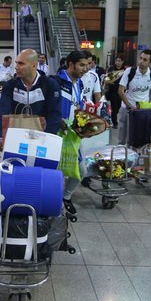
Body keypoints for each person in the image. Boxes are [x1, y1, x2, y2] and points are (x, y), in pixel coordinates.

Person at [0, 48, 62, 150]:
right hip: (16, 137)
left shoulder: (49, 84)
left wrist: (48, 139)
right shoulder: (10, 85)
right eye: (16, 63)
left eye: (21, 64)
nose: (16, 67)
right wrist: (0, 136)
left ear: (34, 66)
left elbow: (54, 114)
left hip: (41, 138)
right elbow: (3, 112)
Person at [53, 50, 91, 216]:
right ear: (70, 65)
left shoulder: (79, 83)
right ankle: (54, 201)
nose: (86, 68)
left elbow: (78, 104)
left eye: (87, 65)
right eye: (82, 65)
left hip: (74, 134)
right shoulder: (56, 82)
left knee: (81, 170)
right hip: (57, 133)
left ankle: (66, 197)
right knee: (56, 170)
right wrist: (57, 120)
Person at [117, 49, 151, 145]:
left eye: (145, 60)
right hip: (127, 108)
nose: (141, 61)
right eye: (140, 58)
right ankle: (119, 156)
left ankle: (133, 155)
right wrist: (129, 106)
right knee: (121, 138)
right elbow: (121, 90)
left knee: (136, 137)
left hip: (142, 110)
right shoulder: (129, 72)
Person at [104, 55, 126, 127]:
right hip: (112, 90)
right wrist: (108, 82)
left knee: (118, 107)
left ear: (122, 61)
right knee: (114, 107)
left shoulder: (124, 70)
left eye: (119, 61)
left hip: (121, 91)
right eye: (116, 61)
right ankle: (114, 122)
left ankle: (114, 117)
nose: (118, 62)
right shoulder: (111, 69)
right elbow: (107, 78)